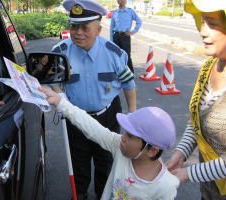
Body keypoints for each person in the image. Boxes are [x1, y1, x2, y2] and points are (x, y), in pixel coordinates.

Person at [52, 0, 137, 199]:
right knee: (78, 160)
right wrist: (60, 95)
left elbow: (128, 83)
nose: (78, 32)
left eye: (84, 27)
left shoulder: (113, 53)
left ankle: (103, 194)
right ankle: (80, 194)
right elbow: (52, 80)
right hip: (76, 116)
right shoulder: (60, 52)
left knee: (105, 160)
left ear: (98, 30)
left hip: (107, 114)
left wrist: (132, 114)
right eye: (74, 26)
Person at [39, 86, 179, 200]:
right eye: (125, 133)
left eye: (130, 136)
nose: (123, 137)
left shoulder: (166, 186)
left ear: (152, 150)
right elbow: (93, 128)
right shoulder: (119, 147)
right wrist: (61, 102)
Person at [165, 0, 226, 199]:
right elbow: (196, 120)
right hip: (210, 185)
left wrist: (187, 174)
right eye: (202, 21)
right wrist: (180, 153)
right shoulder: (208, 67)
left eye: (213, 24)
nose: (203, 31)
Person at [110, 0, 142, 73]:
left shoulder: (130, 12)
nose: (121, 1)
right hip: (116, 36)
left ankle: (130, 73)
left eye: (123, 0)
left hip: (125, 36)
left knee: (126, 55)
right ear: (117, 1)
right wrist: (111, 40)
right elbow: (111, 27)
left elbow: (139, 21)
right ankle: (119, 73)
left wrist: (133, 32)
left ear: (126, 1)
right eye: (120, 0)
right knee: (116, 55)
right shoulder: (115, 13)